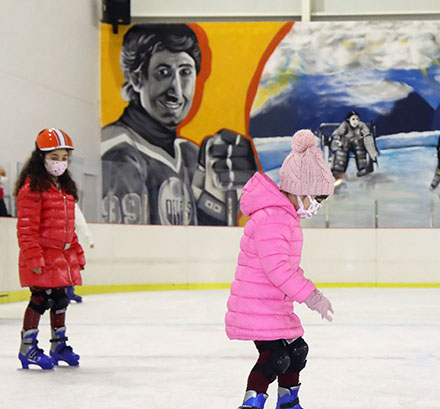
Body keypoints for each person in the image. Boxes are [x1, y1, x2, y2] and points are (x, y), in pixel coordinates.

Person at [226, 129, 335, 409]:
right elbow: (278, 269)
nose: (316, 206)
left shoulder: (285, 216)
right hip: (256, 304)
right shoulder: (274, 217)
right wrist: (311, 296)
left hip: (272, 303)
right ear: (298, 189)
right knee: (276, 356)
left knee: (296, 349)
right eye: (316, 197)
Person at [102, 24, 258, 226]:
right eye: (163, 72)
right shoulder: (118, 155)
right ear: (137, 79)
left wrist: (222, 198)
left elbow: (206, 244)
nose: (176, 89)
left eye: (185, 72)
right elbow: (130, 248)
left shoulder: (191, 154)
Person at [14, 128, 85, 369]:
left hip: (60, 257)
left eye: (64, 158)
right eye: (54, 157)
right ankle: (28, 348)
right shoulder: (32, 189)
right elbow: (26, 229)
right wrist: (33, 257)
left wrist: (77, 253)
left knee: (60, 298)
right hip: (42, 255)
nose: (59, 163)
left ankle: (58, 345)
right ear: (41, 158)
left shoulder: (64, 190)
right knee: (40, 299)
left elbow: (68, 228)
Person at [330, 111, 375, 179]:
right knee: (342, 150)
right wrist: (337, 138)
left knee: (360, 147)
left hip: (357, 144)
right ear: (348, 119)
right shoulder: (345, 125)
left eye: (357, 119)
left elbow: (366, 133)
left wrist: (367, 136)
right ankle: (338, 170)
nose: (355, 121)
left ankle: (363, 168)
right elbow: (338, 132)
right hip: (346, 144)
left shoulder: (361, 125)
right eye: (353, 119)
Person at [65, 202, 95, 303]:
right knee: (69, 266)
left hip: (59, 240)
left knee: (67, 266)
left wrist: (89, 239)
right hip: (68, 241)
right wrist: (89, 239)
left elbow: (79, 221)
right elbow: (80, 222)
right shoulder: (70, 202)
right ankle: (67, 291)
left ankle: (67, 290)